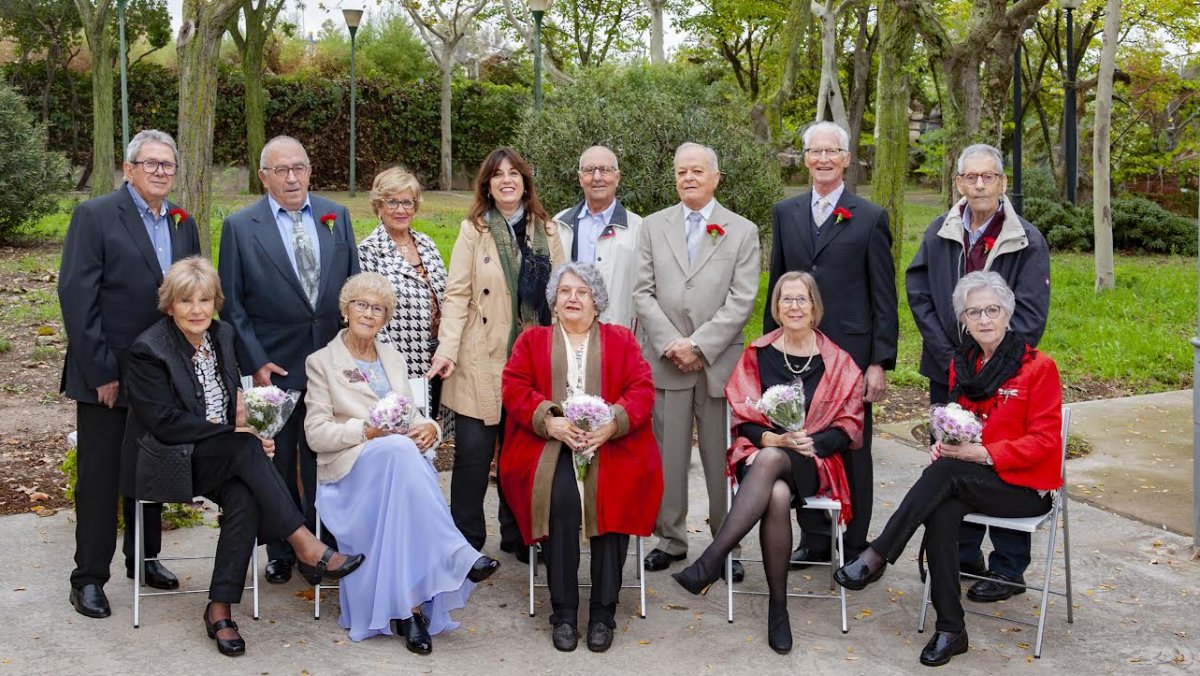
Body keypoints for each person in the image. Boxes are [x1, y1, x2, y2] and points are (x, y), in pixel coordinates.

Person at [123, 257, 365, 657]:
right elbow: (164, 423)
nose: (198, 310)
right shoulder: (148, 350)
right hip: (172, 459)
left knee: (245, 495)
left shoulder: (223, 335)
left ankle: (220, 610)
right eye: (186, 301)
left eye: (205, 300)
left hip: (226, 454)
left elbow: (236, 403)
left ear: (216, 303)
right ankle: (306, 544)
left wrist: (253, 432)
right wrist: (238, 437)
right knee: (245, 449)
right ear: (170, 305)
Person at [834, 271, 1063, 668]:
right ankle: (950, 629)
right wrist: (949, 444)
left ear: (1008, 313)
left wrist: (985, 453)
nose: (984, 319)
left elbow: (1046, 442)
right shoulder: (964, 365)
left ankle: (878, 554)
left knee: (946, 477)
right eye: (974, 312)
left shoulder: (1038, 368)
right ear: (964, 322)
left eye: (992, 309)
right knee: (941, 507)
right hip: (974, 479)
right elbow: (961, 422)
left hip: (1024, 489)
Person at [305, 272, 500, 654]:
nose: (369, 313)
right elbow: (316, 434)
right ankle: (455, 553)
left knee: (402, 457)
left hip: (397, 474)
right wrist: (366, 430)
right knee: (397, 450)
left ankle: (409, 610)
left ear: (386, 318)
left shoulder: (393, 358)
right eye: (361, 304)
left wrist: (430, 429)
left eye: (378, 308)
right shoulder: (322, 362)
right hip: (350, 474)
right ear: (346, 310)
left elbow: (414, 417)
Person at [672, 271, 863, 654]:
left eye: (801, 299)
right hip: (759, 454)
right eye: (786, 299)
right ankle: (779, 610)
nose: (793, 307)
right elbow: (741, 417)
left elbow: (850, 424)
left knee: (777, 463)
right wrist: (769, 437)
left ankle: (711, 561)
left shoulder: (837, 361)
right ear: (776, 308)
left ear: (814, 308)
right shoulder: (758, 354)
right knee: (775, 492)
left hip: (812, 460)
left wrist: (813, 440)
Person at [58, 129, 201, 618]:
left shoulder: (184, 223)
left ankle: (144, 558)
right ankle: (89, 578)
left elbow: (192, 295)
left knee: (154, 466)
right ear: (130, 168)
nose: (161, 172)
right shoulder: (95, 216)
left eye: (168, 165)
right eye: (152, 163)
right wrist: (101, 370)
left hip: (163, 372)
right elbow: (78, 298)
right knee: (100, 477)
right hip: (108, 372)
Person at [906, 144, 1052, 602]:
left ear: (1003, 182)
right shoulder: (938, 232)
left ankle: (1008, 569)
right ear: (959, 183)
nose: (981, 185)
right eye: (972, 177)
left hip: (1007, 373)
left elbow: (1029, 313)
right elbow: (919, 292)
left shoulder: (1026, 239)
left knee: (1004, 458)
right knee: (953, 455)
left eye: (989, 177)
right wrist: (953, 354)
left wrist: (994, 359)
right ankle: (962, 553)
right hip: (949, 367)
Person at [218, 135, 361, 584]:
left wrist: (350, 347)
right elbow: (232, 304)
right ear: (264, 177)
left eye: (299, 167)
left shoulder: (335, 215)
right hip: (274, 365)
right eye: (281, 170)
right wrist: (255, 362)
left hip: (329, 362)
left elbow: (353, 288)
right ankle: (281, 548)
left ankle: (326, 540)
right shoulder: (241, 227)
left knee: (329, 452)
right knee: (276, 459)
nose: (292, 177)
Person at [500, 263, 663, 653]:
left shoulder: (621, 340)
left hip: (611, 443)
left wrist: (612, 424)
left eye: (583, 292)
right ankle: (565, 611)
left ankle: (604, 611)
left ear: (597, 302)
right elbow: (514, 387)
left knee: (611, 494)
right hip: (549, 444)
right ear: (554, 302)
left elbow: (641, 389)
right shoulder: (532, 341)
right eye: (565, 291)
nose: (573, 298)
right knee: (562, 501)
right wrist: (549, 421)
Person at [765, 121, 898, 565]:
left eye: (832, 151)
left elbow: (884, 294)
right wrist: (771, 351)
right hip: (798, 351)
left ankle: (856, 542)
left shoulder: (871, 217)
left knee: (852, 445)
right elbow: (778, 285)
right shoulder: (785, 213)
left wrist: (879, 361)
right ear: (805, 159)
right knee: (800, 438)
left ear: (846, 158)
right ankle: (816, 537)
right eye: (814, 151)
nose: (823, 159)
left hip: (851, 354)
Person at [427, 147, 566, 561]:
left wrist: (564, 354)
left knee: (520, 454)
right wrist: (447, 349)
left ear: (525, 180)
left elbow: (560, 295)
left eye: (514, 173)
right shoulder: (474, 229)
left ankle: (518, 535)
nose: (506, 180)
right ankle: (465, 544)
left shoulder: (548, 231)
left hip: (530, 359)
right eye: (497, 174)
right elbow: (456, 294)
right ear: (487, 184)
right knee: (473, 454)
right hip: (477, 357)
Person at [632, 142, 760, 578]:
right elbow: (642, 293)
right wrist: (672, 342)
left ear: (715, 177)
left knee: (720, 457)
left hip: (718, 365)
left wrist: (699, 345)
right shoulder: (652, 227)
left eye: (697, 171)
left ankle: (726, 542)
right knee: (667, 456)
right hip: (666, 361)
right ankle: (670, 538)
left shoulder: (741, 230)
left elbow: (742, 299)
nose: (688, 178)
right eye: (681, 171)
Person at [357, 167, 448, 415]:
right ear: (379, 206)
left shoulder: (427, 244)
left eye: (407, 202)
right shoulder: (368, 252)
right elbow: (369, 316)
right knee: (404, 429)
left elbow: (446, 296)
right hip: (398, 361)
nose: (401, 210)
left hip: (436, 357)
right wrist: (391, 365)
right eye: (392, 202)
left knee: (430, 428)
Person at [553, 146, 643, 329]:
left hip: (618, 334)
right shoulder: (558, 225)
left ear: (617, 177)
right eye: (589, 170)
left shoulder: (639, 229)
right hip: (567, 332)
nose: (597, 177)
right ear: (580, 179)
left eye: (604, 170)